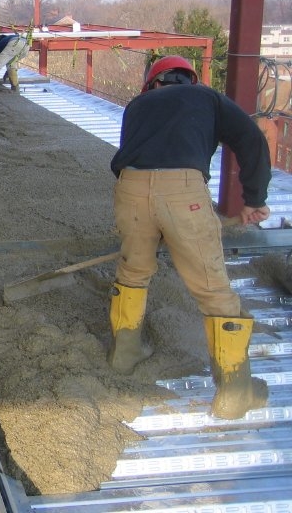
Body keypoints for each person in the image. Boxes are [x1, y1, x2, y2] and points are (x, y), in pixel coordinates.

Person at [108, 55, 271, 420]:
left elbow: (142, 154)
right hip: (184, 192)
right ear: (189, 80)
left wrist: (155, 220)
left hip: (130, 189)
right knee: (213, 289)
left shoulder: (137, 105)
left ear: (153, 83)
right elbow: (251, 141)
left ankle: (125, 355)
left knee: (134, 271)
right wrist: (254, 198)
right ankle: (234, 391)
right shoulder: (207, 97)